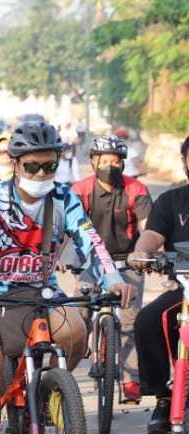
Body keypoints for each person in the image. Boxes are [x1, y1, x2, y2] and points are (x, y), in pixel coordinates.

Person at [0, 122, 134, 434]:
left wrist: (112, 278)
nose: (40, 174)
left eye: (48, 166)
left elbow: (91, 241)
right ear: (16, 164)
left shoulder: (65, 199)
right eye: (32, 167)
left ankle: (54, 391)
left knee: (77, 330)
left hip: (42, 289)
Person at [70, 134, 150, 405]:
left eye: (116, 161)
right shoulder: (80, 189)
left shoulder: (135, 189)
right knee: (79, 306)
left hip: (130, 260)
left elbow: (149, 227)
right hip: (92, 260)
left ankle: (131, 381)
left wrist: (150, 255)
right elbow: (64, 231)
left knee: (131, 319)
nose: (110, 166)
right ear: (93, 162)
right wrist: (58, 258)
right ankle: (78, 347)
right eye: (105, 161)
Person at [128, 137, 189, 434]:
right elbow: (152, 235)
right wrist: (142, 252)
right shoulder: (172, 200)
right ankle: (164, 399)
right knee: (149, 319)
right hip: (185, 290)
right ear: (184, 162)